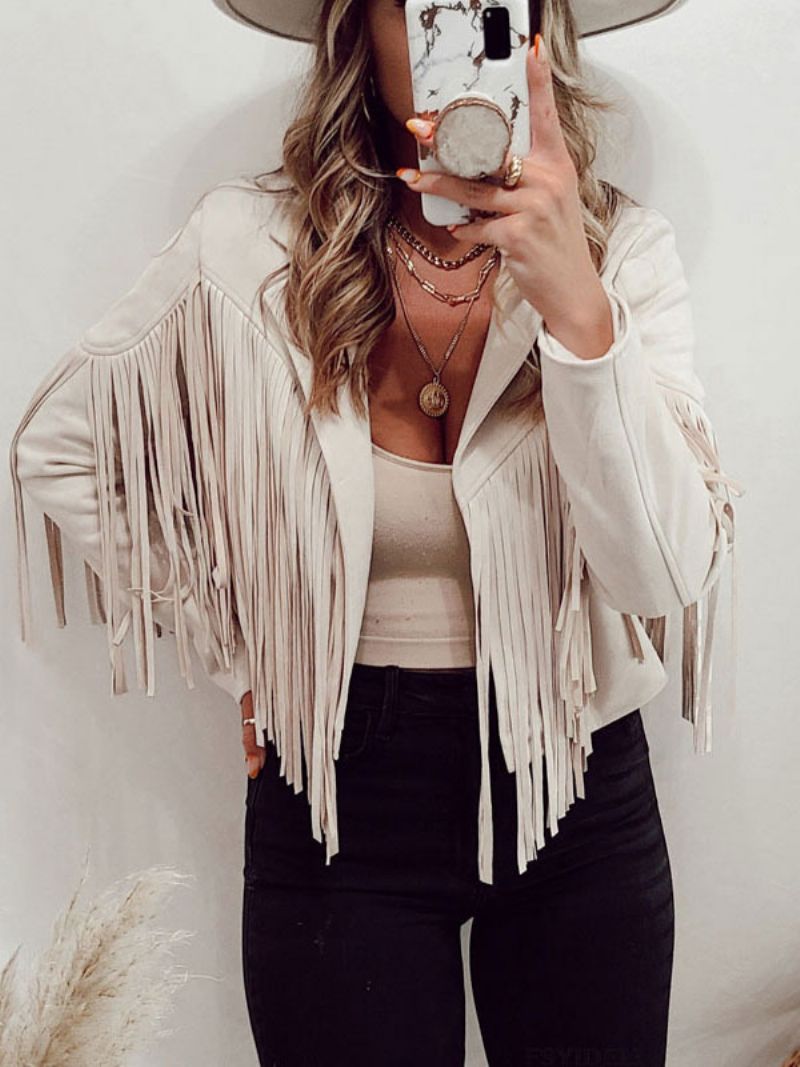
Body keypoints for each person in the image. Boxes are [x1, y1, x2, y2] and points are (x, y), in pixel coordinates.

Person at [9, 0, 744, 1063]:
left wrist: (581, 315)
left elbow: (660, 575)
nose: (461, 37)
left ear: (539, 34)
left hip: (572, 772)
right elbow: (64, 448)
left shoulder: (620, 253)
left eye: (494, 4)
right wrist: (244, 648)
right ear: (359, 29)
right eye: (419, 4)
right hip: (338, 790)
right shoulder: (247, 248)